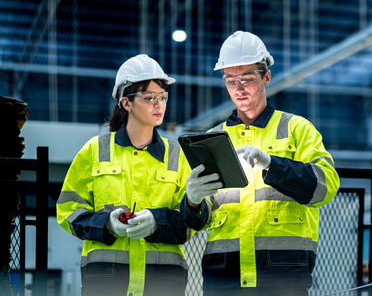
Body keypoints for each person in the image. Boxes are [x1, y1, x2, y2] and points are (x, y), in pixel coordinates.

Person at [181, 31, 340, 295]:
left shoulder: (297, 129)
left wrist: (272, 165)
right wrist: (192, 201)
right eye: (230, 80)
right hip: (225, 276)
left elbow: (325, 187)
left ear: (266, 77)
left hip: (282, 275)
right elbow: (197, 221)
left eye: (246, 78)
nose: (238, 88)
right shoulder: (212, 139)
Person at [57, 54, 192, 296]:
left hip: (162, 282)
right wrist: (106, 224)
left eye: (163, 97)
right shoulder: (94, 150)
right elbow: (67, 211)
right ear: (126, 103)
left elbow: (190, 221)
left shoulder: (177, 156)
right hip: (107, 280)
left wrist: (158, 222)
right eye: (149, 98)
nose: (159, 105)